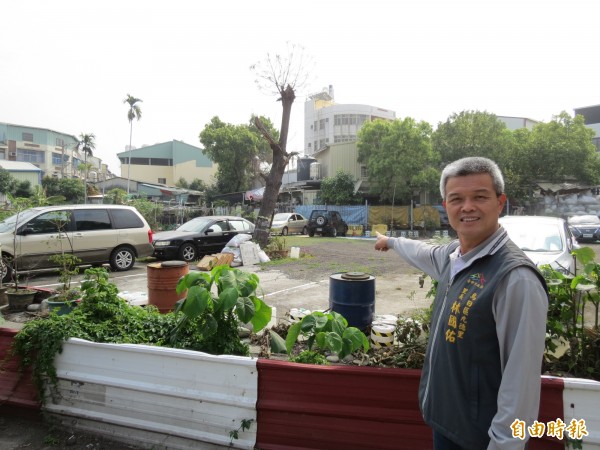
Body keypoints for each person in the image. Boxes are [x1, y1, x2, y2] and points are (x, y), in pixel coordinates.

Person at [375, 157, 548, 450]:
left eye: (479, 197)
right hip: (447, 423)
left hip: (480, 438)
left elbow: (521, 382)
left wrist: (503, 445)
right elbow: (421, 251)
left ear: (500, 202)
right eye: (457, 199)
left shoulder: (515, 278)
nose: (467, 207)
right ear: (445, 206)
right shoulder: (454, 257)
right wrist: (390, 241)